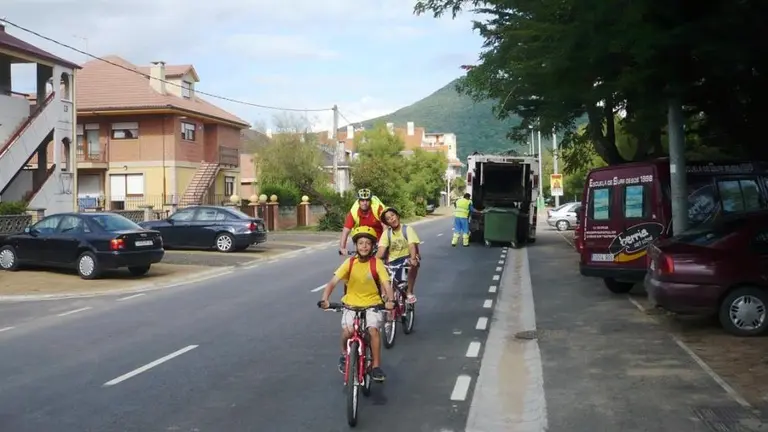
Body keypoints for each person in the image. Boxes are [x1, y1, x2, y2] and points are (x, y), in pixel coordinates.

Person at [319, 226, 395, 382]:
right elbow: (333, 282)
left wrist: (390, 301)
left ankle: (375, 366)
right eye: (361, 243)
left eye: (368, 243)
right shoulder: (350, 263)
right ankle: (344, 354)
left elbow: (387, 285)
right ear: (356, 245)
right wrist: (325, 299)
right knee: (347, 332)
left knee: (373, 330)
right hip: (351, 304)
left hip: (373, 304)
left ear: (373, 246)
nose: (364, 246)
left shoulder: (376, 263)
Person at [377, 207, 421, 304]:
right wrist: (374, 261)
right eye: (388, 218)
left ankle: (409, 292)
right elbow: (381, 252)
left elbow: (412, 245)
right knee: (381, 272)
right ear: (387, 223)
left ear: (397, 216)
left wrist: (413, 258)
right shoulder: (386, 234)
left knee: (412, 265)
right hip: (392, 262)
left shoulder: (407, 229)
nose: (391, 219)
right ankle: (384, 296)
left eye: (392, 215)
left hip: (406, 259)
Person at [339, 188, 387, 255]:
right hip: (362, 241)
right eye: (362, 200)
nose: (365, 203)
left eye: (367, 200)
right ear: (359, 201)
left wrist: (383, 243)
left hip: (378, 240)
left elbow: (385, 226)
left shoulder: (377, 208)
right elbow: (346, 230)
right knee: (357, 261)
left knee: (382, 260)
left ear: (370, 201)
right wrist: (342, 248)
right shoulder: (354, 212)